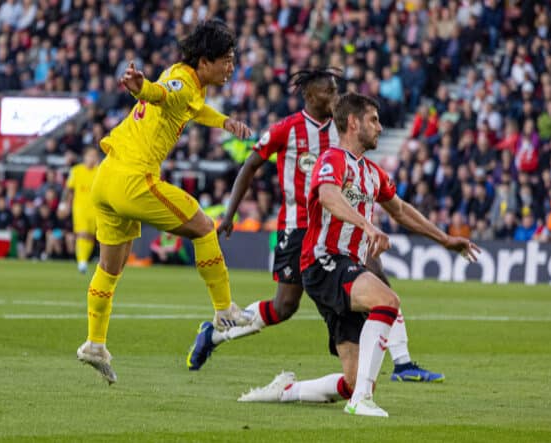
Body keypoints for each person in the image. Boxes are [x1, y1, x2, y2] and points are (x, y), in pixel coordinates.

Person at [188, 71, 444, 384]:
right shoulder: (287, 129)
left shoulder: (344, 132)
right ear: (311, 96)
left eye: (338, 91)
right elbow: (250, 166)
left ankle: (402, 362)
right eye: (329, 92)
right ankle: (215, 333)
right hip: (298, 229)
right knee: (284, 306)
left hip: (339, 227)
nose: (336, 97)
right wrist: (229, 214)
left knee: (377, 276)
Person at [237, 93, 479, 417]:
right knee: (388, 301)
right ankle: (361, 402)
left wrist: (445, 239)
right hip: (324, 261)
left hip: (346, 266)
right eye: (374, 120)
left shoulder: (372, 172)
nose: (380, 127)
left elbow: (401, 210)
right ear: (353, 123)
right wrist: (367, 226)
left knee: (351, 379)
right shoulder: (332, 159)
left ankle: (286, 391)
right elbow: (328, 195)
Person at [76, 20, 254, 384]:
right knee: (204, 227)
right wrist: (143, 88)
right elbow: (164, 94)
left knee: (110, 269)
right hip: (133, 179)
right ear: (204, 61)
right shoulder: (181, 80)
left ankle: (94, 343)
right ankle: (224, 311)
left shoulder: (190, 82)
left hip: (106, 178)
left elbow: (190, 106)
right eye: (227, 60)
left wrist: (224, 123)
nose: (231, 67)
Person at [61, 146, 100, 273]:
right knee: (82, 233)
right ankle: (82, 262)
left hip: (95, 209)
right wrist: (64, 205)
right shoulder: (76, 171)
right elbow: (68, 189)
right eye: (90, 155)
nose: (91, 158)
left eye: (94, 156)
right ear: (84, 157)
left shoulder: (99, 171)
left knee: (90, 236)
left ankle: (84, 260)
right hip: (80, 208)